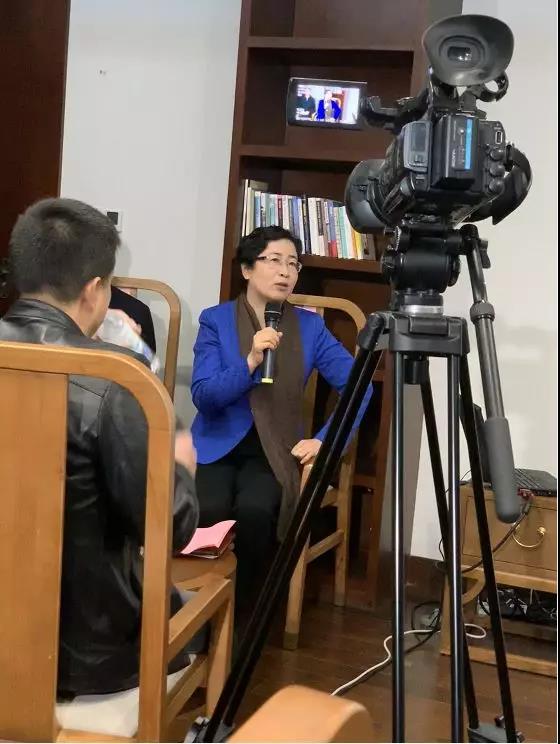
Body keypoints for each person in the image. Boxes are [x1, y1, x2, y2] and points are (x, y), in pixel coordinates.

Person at [0, 197, 199, 696]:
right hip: (85, 661)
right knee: (202, 608)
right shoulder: (113, 378)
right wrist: (180, 458)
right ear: (94, 290)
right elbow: (170, 526)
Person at [191, 225, 373, 627]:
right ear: (246, 269)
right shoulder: (216, 321)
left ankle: (244, 614)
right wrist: (250, 363)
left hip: (274, 451)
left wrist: (326, 441)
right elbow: (204, 396)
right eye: (273, 260)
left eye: (293, 263)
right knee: (209, 508)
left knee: (256, 512)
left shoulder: (309, 327)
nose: (285, 272)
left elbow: (360, 386)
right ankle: (200, 611)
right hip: (218, 445)